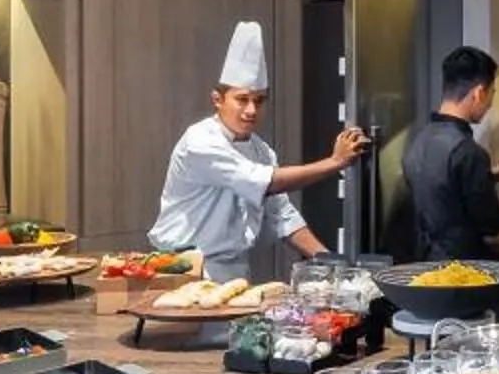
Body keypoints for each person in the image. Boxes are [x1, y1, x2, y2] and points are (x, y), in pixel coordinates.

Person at [146, 20, 368, 277]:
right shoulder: (200, 141)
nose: (251, 110)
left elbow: (282, 217)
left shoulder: (262, 151)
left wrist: (332, 262)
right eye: (242, 100)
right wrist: (335, 162)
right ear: (217, 100)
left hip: (234, 267)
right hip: (182, 267)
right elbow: (266, 182)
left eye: (259, 101)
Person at [398, 45, 499, 262]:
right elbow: (491, 224)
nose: (490, 104)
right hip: (462, 273)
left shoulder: (420, 141)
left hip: (425, 265)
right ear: (478, 93)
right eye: (491, 94)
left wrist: (488, 178)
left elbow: (443, 191)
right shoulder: (468, 152)